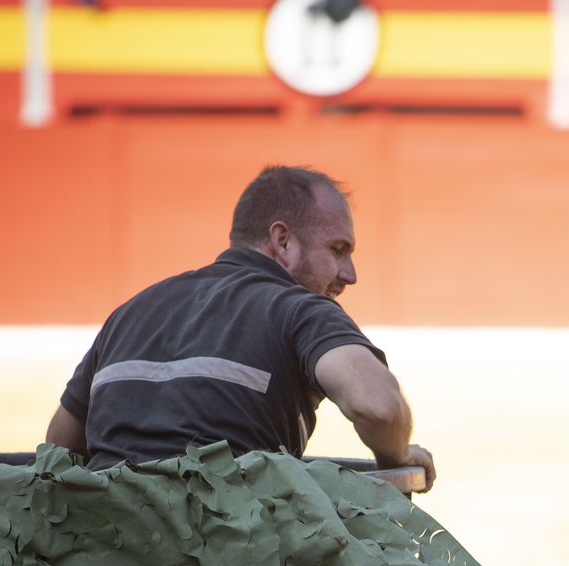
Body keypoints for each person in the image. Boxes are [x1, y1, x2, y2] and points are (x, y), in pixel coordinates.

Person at [44, 165, 435, 489]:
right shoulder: (301, 309)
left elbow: (60, 445)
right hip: (224, 559)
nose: (349, 274)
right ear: (283, 241)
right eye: (337, 250)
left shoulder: (130, 312)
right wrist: (395, 456)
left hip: (108, 557)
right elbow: (379, 408)